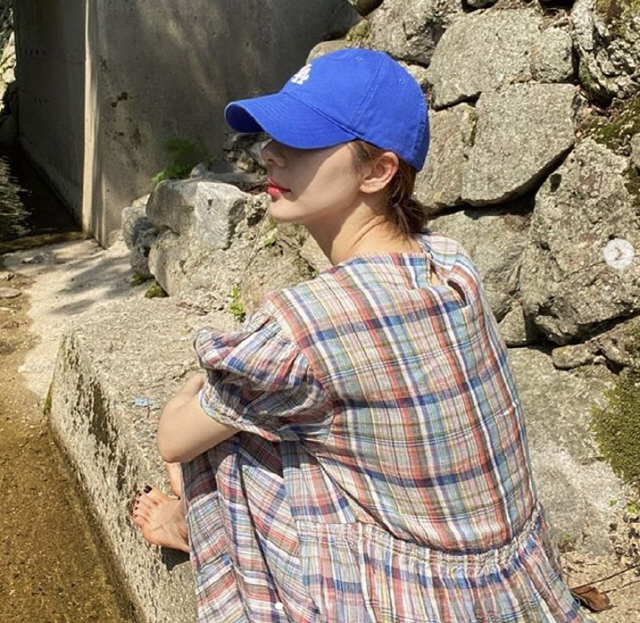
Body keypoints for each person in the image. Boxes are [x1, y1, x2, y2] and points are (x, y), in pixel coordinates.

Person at [133, 48, 589, 622]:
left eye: (300, 141)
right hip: (513, 584)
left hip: (413, 601)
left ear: (378, 171)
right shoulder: (449, 260)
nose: (269, 154)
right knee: (265, 402)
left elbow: (172, 438)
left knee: (220, 438)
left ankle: (193, 529)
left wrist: (215, 370)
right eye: (273, 136)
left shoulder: (307, 324)